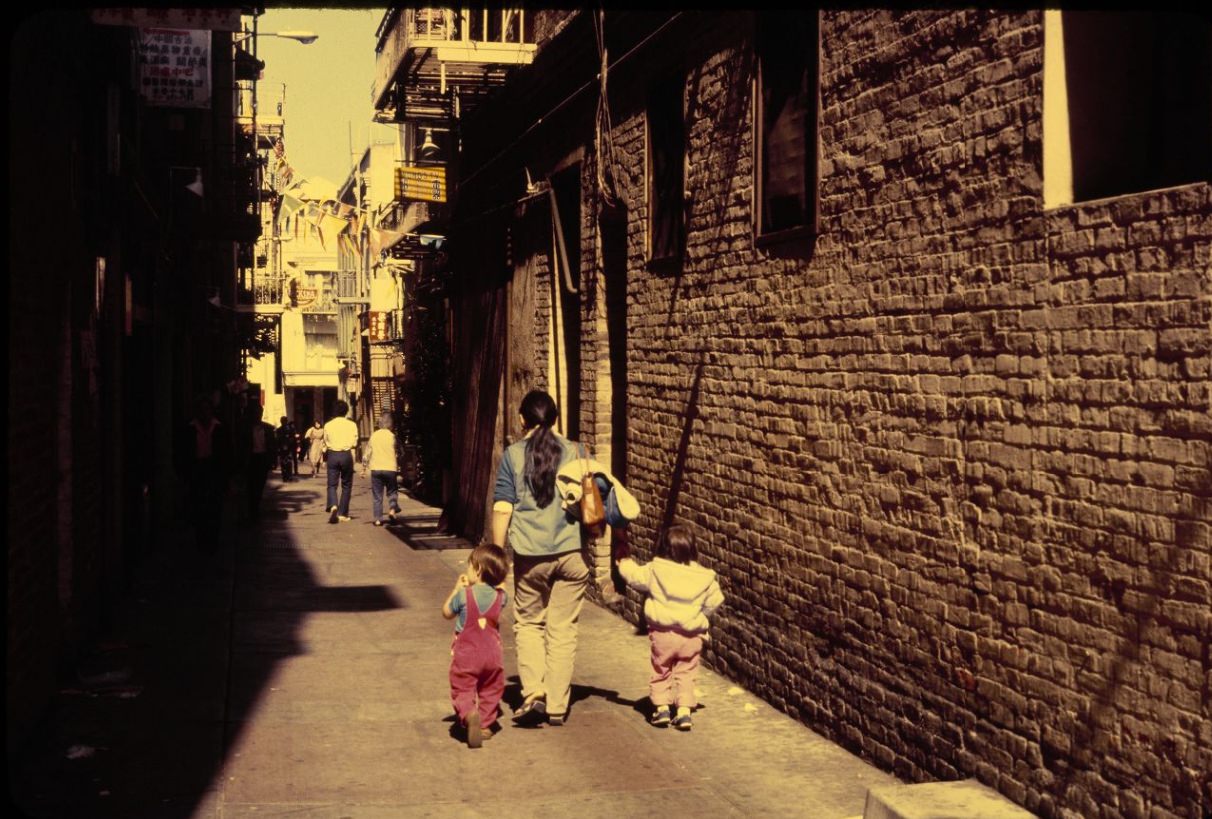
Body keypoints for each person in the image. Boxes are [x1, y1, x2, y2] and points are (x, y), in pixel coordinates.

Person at [491, 389, 585, 727]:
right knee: (563, 629)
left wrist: (498, 554)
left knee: (530, 623)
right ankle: (558, 705)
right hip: (573, 554)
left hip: (531, 556)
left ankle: (534, 693)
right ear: (556, 418)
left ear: (522, 419)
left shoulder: (514, 455)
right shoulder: (577, 451)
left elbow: (503, 505)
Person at [616, 525, 724, 731]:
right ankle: (684, 712)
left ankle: (662, 708)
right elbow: (715, 601)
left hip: (662, 633)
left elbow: (634, 576)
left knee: (661, 669)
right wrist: (700, 614)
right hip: (691, 636)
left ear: (664, 547)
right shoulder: (704, 576)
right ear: (693, 549)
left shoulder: (656, 570)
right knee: (687, 672)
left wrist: (624, 562)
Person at [442, 542, 510, 748]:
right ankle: (486, 725)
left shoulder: (464, 595)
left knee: (463, 688)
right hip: (492, 656)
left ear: (478, 569)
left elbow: (446, 612)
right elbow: (502, 588)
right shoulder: (501, 597)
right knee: (491, 689)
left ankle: (469, 714)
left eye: (470, 566)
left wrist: (456, 589)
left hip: (467, 655)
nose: (467, 570)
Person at [172, 394, 232, 552]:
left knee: (215, 507)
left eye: (208, 409)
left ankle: (212, 540)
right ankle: (201, 540)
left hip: (214, 471)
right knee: (198, 507)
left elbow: (227, 453)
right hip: (197, 471)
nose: (205, 413)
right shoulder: (189, 429)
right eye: (202, 410)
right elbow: (181, 453)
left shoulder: (220, 428)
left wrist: (227, 478)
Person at [362, 412, 402, 526]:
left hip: (376, 468)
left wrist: (363, 468)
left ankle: (378, 519)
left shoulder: (374, 436)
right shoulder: (393, 436)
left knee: (377, 495)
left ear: (380, 423)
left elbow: (367, 453)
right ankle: (392, 510)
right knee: (392, 491)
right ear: (391, 424)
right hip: (390, 468)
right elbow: (401, 452)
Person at [323, 400, 358, 523]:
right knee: (346, 485)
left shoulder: (328, 425)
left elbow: (326, 441)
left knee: (332, 485)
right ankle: (342, 513)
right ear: (346, 411)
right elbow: (354, 442)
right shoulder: (352, 425)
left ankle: (333, 505)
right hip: (346, 455)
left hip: (332, 455)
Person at [240, 403, 276, 522]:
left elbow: (272, 446)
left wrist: (272, 461)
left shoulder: (268, 428)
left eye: (259, 413)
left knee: (260, 485)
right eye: (255, 413)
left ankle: (255, 506)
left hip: (262, 459)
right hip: (251, 459)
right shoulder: (245, 428)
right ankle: (253, 510)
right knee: (251, 486)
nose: (257, 415)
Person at [276, 416, 298, 481]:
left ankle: (289, 476)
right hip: (282, 449)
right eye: (283, 421)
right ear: (281, 422)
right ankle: (285, 476)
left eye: (285, 421)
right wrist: (280, 447)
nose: (284, 422)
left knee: (288, 462)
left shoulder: (290, 430)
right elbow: (278, 440)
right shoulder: (279, 430)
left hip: (289, 448)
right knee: (283, 463)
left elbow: (293, 438)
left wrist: (289, 444)